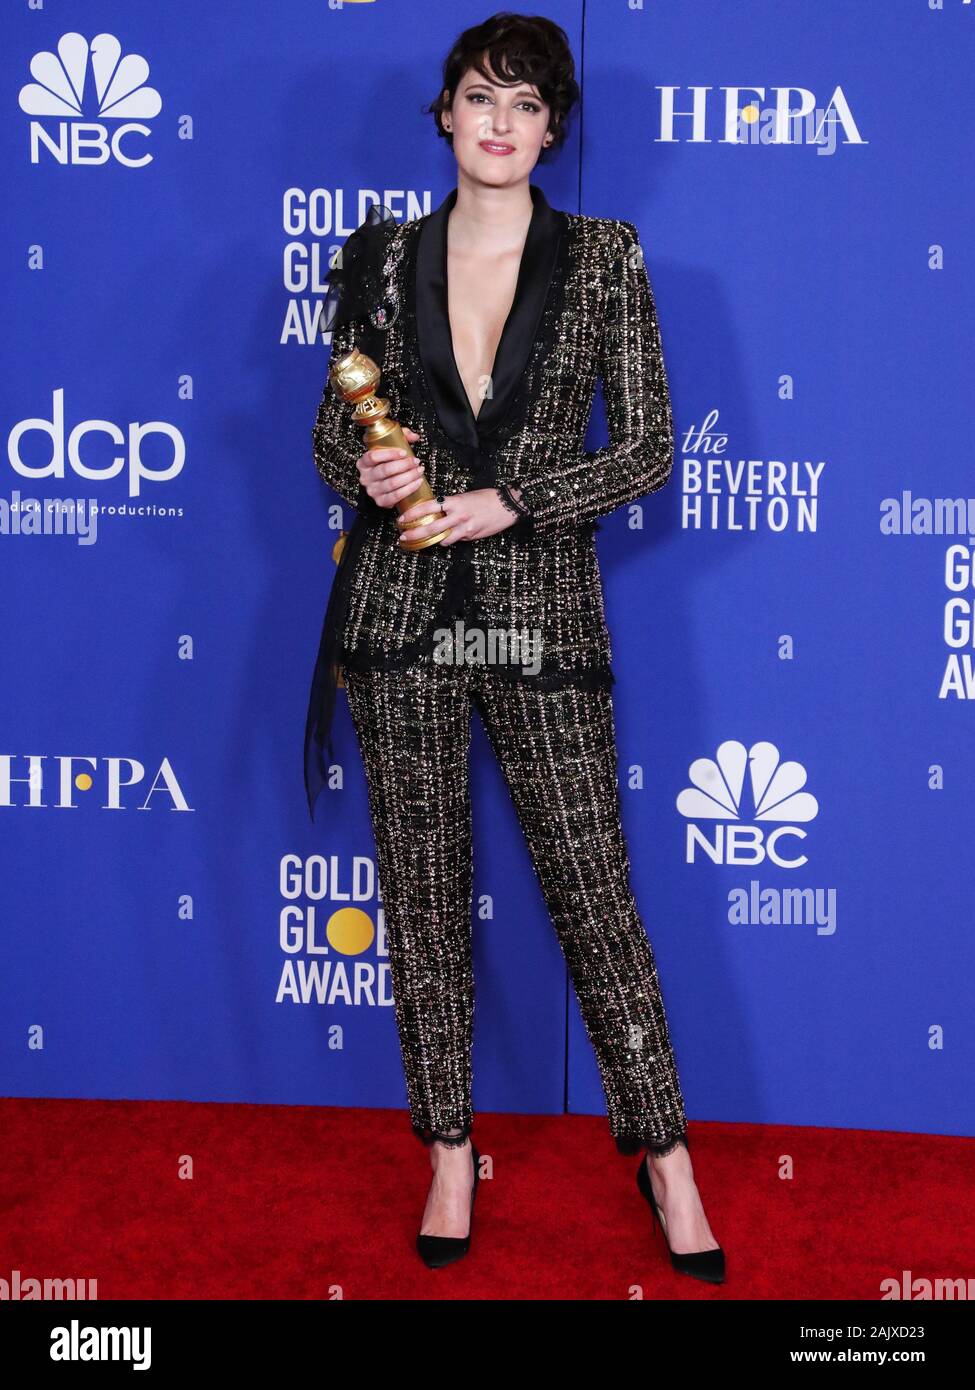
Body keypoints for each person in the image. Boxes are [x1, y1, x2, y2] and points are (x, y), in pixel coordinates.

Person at [305, 12, 723, 1282]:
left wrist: (523, 497)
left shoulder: (603, 257)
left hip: (540, 616)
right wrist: (369, 468)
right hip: (400, 618)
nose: (501, 121)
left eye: (528, 103)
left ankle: (666, 1158)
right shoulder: (379, 258)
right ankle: (446, 1150)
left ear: (554, 128)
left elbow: (649, 446)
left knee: (596, 896)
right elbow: (334, 437)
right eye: (480, 97)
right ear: (444, 114)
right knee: (423, 902)